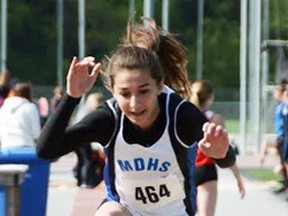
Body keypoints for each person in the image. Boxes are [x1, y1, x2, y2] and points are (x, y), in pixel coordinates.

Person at [37, 19, 235, 216]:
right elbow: (46, 151)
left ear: (159, 85)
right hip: (126, 210)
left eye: (143, 91)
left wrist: (221, 153)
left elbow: (227, 159)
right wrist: (71, 97)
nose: (134, 103)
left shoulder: (180, 115)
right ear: (112, 91)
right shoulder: (109, 118)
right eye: (125, 93)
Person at [190, 80, 245, 216]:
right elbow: (225, 151)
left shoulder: (184, 116)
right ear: (210, 97)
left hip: (187, 169)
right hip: (206, 170)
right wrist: (238, 177)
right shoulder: (215, 119)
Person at [259, 80, 288, 193]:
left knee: (285, 163)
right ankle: (285, 183)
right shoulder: (281, 106)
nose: (274, 93)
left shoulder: (285, 105)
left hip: (285, 136)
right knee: (283, 162)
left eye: (276, 91)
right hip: (281, 136)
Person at [72, 92, 105, 188]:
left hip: (75, 138)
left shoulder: (83, 109)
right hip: (83, 139)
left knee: (81, 160)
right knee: (87, 160)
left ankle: (79, 180)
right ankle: (86, 181)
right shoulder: (91, 111)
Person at [0, 81, 41, 148]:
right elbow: (36, 133)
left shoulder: (4, 107)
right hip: (25, 144)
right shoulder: (30, 107)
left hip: (6, 145)